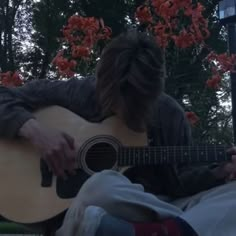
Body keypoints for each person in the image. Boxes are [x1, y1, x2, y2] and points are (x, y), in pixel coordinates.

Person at [0, 30, 236, 236]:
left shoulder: (169, 114)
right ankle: (183, 227)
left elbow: (179, 183)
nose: (124, 109)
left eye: (136, 104)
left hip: (153, 208)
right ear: (101, 83)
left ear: (154, 94)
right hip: (95, 205)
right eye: (115, 101)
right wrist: (36, 132)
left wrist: (220, 172)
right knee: (102, 184)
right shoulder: (79, 93)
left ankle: (162, 230)